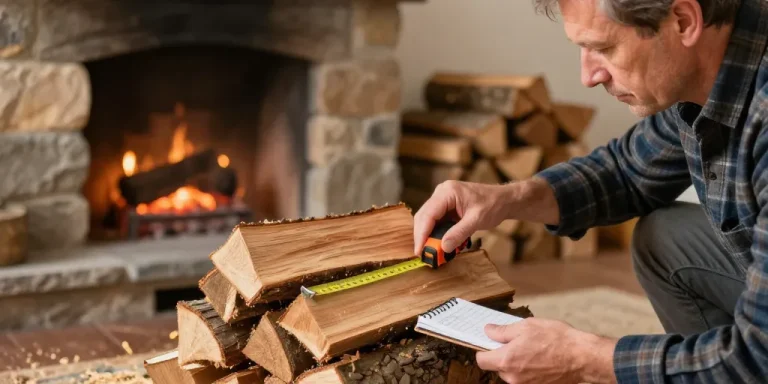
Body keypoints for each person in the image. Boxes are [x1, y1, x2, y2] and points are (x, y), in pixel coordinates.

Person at [411, 0, 768, 382]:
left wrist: (584, 357)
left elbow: (758, 353)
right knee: (665, 238)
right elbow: (625, 172)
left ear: (682, 21)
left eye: (603, 48)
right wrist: (503, 200)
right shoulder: (704, 72)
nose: (588, 75)